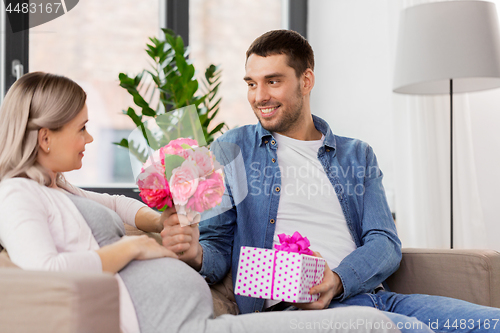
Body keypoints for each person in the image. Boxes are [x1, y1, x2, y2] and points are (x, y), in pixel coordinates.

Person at [0, 71, 401, 333]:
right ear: (45, 137)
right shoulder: (16, 193)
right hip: (175, 323)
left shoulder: (59, 187)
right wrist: (137, 245)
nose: (90, 139)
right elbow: (46, 271)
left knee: (383, 322)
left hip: (200, 315)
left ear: (307, 80)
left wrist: (163, 222)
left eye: (273, 81)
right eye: (82, 128)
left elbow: (116, 205)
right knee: (371, 326)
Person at [161, 30, 500, 333]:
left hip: (374, 297)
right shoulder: (230, 150)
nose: (259, 96)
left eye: (273, 81)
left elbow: (384, 241)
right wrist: (195, 253)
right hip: (302, 312)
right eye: (251, 83)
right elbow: (218, 246)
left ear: (306, 80)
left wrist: (337, 280)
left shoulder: (357, 155)